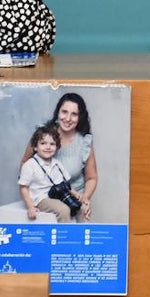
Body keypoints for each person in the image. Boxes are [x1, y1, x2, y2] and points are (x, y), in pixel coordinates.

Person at [22, 92, 96, 221]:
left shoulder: (84, 142)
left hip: (70, 193)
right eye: (64, 112)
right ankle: (64, 239)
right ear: (58, 112)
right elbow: (25, 163)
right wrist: (31, 195)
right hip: (44, 195)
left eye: (74, 114)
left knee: (83, 210)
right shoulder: (43, 135)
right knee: (62, 211)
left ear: (80, 117)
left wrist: (85, 197)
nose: (67, 118)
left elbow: (91, 178)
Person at [18, 124, 74, 222]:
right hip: (40, 199)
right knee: (63, 210)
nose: (48, 147)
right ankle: (65, 236)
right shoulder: (30, 165)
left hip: (58, 195)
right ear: (35, 147)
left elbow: (64, 184)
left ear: (56, 147)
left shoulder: (57, 163)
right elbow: (23, 188)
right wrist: (30, 207)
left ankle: (82, 236)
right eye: (43, 143)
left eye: (52, 144)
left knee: (81, 207)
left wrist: (75, 193)